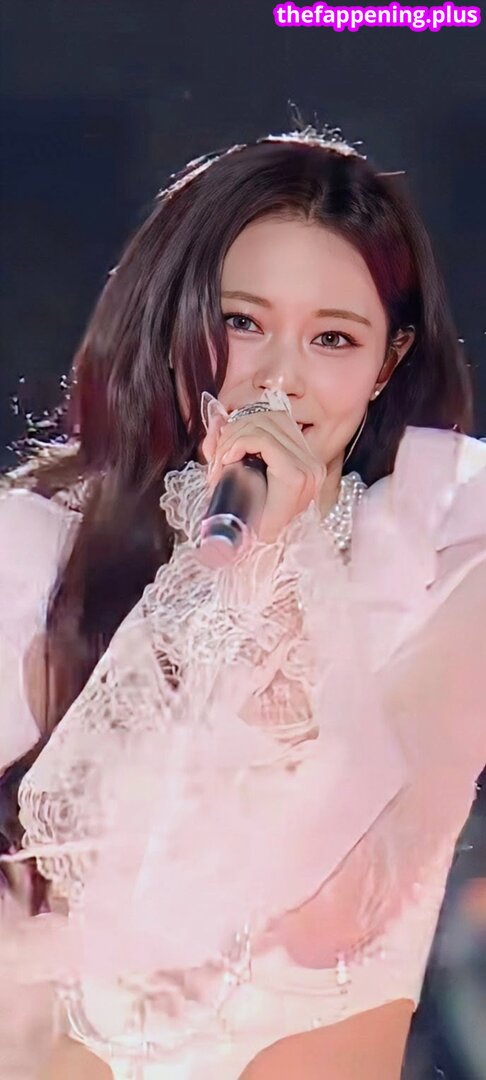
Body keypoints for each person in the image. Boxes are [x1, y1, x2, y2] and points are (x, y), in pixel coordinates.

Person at [0, 112, 485, 1080]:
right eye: (242, 323)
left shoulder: (448, 547)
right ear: (173, 321)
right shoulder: (45, 547)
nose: (279, 378)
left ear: (387, 362)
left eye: (333, 338)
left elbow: (343, 906)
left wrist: (282, 569)